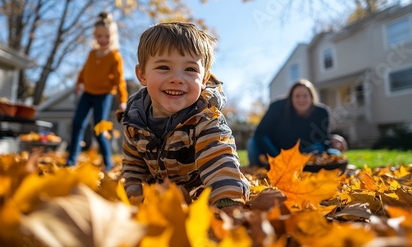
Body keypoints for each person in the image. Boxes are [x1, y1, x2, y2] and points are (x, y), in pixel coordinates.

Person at [117, 22, 250, 209]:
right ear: (142, 75)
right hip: (161, 197)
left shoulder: (205, 119)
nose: (177, 78)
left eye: (190, 69)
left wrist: (227, 203)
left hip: (201, 192)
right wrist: (134, 196)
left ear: (204, 79)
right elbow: (133, 166)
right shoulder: (135, 121)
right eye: (164, 67)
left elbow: (220, 161)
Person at [66, 12, 128, 170]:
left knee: (99, 129)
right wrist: (79, 82)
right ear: (95, 36)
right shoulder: (92, 53)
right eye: (99, 36)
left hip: (104, 95)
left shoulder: (115, 56)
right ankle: (71, 160)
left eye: (107, 36)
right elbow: (85, 70)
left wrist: (122, 101)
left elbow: (119, 80)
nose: (103, 40)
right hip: (88, 94)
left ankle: (108, 163)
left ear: (112, 36)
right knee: (77, 123)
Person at [247, 79, 348, 168]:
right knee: (252, 143)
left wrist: (332, 138)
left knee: (334, 154)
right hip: (274, 154)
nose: (301, 99)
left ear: (312, 97)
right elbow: (260, 133)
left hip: (306, 154)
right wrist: (278, 158)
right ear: (290, 98)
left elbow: (322, 138)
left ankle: (310, 168)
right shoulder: (277, 107)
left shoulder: (322, 112)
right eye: (297, 96)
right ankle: (259, 169)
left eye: (305, 96)